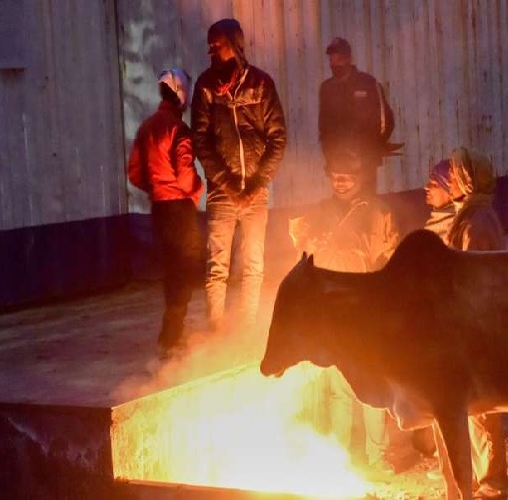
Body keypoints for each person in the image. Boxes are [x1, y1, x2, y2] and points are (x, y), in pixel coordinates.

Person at [289, 146, 400, 478]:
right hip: (333, 314)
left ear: (361, 178)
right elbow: (303, 254)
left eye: (347, 178)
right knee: (339, 389)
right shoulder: (321, 212)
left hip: (366, 312)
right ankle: (338, 457)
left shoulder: (379, 214)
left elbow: (389, 262)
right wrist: (309, 245)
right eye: (335, 177)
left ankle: (376, 458)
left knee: (371, 388)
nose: (339, 183)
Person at [191, 19, 287, 336]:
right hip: (222, 192)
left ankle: (246, 331)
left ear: (235, 44)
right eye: (210, 45)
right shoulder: (205, 87)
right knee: (217, 265)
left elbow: (278, 138)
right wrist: (229, 184)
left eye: (217, 44)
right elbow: (201, 142)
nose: (211, 50)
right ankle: (216, 331)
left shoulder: (261, 84)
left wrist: (257, 184)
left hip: (255, 192)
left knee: (253, 264)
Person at [127, 68, 204, 356]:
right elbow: (186, 178)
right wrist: (196, 190)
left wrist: (157, 188)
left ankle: (173, 333)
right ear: (181, 95)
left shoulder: (147, 126)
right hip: (179, 210)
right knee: (184, 271)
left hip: (159, 209)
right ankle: (172, 337)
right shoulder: (178, 130)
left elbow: (135, 173)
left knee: (173, 270)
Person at [446, 147, 507, 498]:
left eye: (456, 174)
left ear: (468, 180)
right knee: (474, 409)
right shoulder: (473, 214)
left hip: (480, 326)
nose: (451, 180)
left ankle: (493, 486)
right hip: (475, 323)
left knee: (483, 411)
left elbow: (475, 274)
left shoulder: (477, 222)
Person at [318, 37, 402, 194]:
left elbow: (386, 120)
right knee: (342, 206)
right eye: (332, 59)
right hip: (338, 161)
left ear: (349, 59)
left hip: (365, 161)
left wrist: (371, 149)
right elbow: (324, 128)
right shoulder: (327, 89)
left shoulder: (367, 83)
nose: (335, 64)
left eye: (339, 59)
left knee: (366, 203)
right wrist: (330, 156)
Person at [423, 159, 457, 244]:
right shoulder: (434, 222)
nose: (426, 187)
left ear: (450, 193)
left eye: (434, 185)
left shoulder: (455, 227)